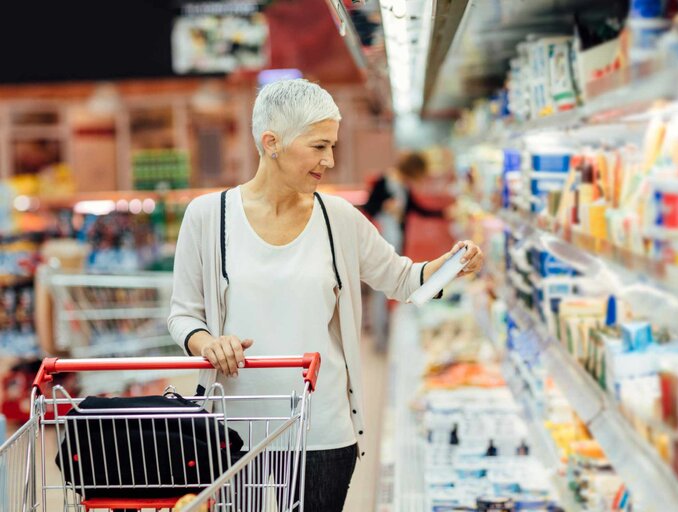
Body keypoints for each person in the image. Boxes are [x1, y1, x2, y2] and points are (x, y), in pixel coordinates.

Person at [168, 79, 483, 512]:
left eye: (331, 146)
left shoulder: (340, 219)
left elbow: (406, 282)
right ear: (271, 142)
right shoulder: (207, 216)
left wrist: (451, 264)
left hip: (323, 430)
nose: (330, 161)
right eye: (319, 147)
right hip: (234, 431)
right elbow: (183, 316)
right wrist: (208, 342)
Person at [362, 151, 456, 351]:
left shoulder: (404, 187)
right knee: (379, 291)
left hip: (396, 242)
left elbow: (417, 208)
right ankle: (380, 339)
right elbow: (368, 207)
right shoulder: (382, 182)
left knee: (391, 287)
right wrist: (385, 206)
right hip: (381, 241)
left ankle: (386, 334)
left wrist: (443, 213)